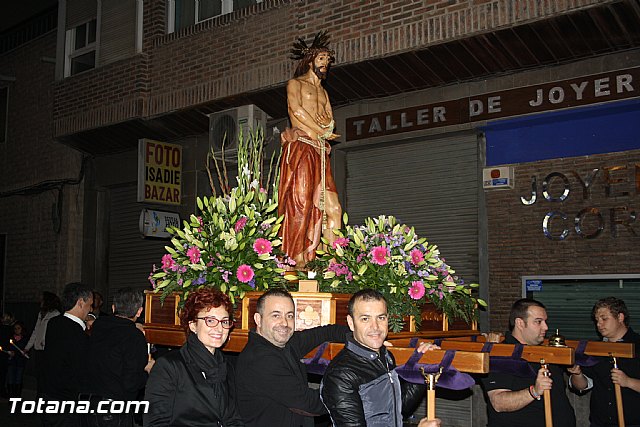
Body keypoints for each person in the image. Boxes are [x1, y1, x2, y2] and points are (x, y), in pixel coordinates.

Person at [320, 289, 437, 426]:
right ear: (351, 323)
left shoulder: (385, 356)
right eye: (365, 319)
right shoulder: (340, 375)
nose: (375, 327)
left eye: (381, 318)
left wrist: (421, 363)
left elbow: (398, 408)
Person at [235, 288, 350, 427]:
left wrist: (363, 337)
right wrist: (354, 389)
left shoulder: (285, 343)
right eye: (276, 315)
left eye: (289, 316)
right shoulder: (259, 360)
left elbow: (326, 332)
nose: (284, 323)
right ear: (258, 319)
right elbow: (310, 404)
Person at [278, 31, 342, 267]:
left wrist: (325, 130)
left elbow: (330, 120)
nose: (325, 64)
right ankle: (297, 259)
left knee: (333, 207)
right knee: (302, 202)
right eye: (322, 59)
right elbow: (296, 110)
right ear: (310, 60)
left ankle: (334, 265)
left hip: (319, 150)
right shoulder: (295, 84)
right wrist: (319, 129)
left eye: (328, 60)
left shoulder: (323, 92)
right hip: (303, 148)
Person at [144, 288, 243, 426]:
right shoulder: (170, 366)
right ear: (193, 325)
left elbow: (233, 418)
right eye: (210, 320)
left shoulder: (226, 366)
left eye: (224, 321)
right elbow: (155, 422)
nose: (219, 329)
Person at [480, 298, 576, 427]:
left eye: (545, 322)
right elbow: (498, 402)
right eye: (538, 322)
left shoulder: (546, 351)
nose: (546, 327)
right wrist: (534, 391)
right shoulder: (500, 353)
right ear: (520, 323)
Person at [81, 287, 154, 427]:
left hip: (86, 402)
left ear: (113, 308)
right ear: (139, 311)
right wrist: (147, 370)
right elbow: (131, 383)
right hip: (112, 408)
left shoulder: (97, 327)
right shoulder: (134, 336)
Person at [569, 297, 640, 427]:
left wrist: (628, 382)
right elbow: (582, 386)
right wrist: (577, 373)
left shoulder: (638, 345)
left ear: (620, 317)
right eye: (597, 320)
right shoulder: (595, 349)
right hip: (599, 423)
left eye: (604, 319)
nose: (599, 324)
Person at [41, 282, 94, 427]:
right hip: (67, 404)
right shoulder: (78, 334)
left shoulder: (54, 323)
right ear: (81, 302)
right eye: (90, 305)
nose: (91, 310)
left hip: (49, 397)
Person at [25, 291, 61, 394]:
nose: (40, 302)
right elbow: (36, 331)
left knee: (46, 376)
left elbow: (54, 333)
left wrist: (45, 342)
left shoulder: (55, 314)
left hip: (47, 351)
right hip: (38, 350)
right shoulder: (41, 314)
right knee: (39, 376)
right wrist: (27, 347)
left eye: (42, 300)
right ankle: (40, 396)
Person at [6, 320, 29, 397]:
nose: (17, 330)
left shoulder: (25, 339)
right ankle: (11, 396)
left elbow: (25, 350)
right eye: (15, 328)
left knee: (18, 379)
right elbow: (8, 347)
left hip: (20, 362)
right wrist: (10, 353)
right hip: (11, 361)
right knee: (10, 379)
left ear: (22, 329)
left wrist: (21, 353)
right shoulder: (11, 338)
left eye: (18, 328)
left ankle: (17, 397)